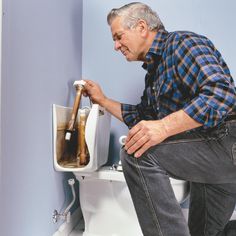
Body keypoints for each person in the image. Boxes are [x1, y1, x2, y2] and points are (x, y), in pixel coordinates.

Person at [83, 2, 236, 236]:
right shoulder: (155, 73)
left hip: (225, 143)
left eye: (119, 36)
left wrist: (164, 127)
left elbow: (221, 94)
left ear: (142, 27)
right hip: (210, 158)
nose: (116, 46)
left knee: (137, 152)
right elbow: (142, 118)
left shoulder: (183, 45)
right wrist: (103, 100)